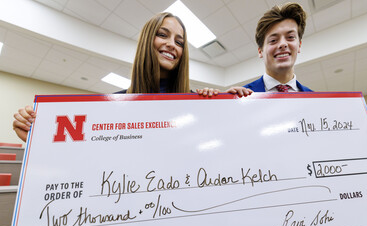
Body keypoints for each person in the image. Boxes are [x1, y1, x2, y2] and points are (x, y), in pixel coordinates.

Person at [12, 12, 218, 142]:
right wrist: (34, 136)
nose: (172, 44)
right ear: (147, 41)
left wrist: (230, 103)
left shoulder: (196, 101)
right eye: (163, 35)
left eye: (179, 42)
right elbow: (82, 158)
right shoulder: (111, 107)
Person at [226, 2, 367, 143]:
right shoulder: (237, 100)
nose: (283, 44)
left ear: (299, 45)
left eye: (290, 37)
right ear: (260, 51)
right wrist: (216, 108)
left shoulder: (317, 103)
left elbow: (331, 148)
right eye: (273, 40)